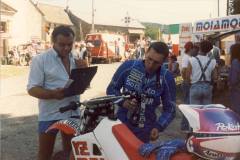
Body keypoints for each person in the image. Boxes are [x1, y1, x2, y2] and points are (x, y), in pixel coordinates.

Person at [27, 25, 88, 160]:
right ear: (53, 41)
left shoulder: (75, 58)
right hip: (50, 113)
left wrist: (84, 72)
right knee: (45, 154)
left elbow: (81, 84)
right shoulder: (40, 60)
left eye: (69, 44)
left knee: (71, 153)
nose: (66, 48)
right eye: (62, 45)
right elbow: (32, 89)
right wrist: (52, 94)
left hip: (72, 111)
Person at [106, 41, 176, 143]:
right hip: (121, 124)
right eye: (149, 59)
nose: (151, 65)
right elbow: (111, 89)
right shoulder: (128, 66)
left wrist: (158, 127)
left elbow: (170, 109)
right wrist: (122, 101)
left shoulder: (166, 77)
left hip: (145, 130)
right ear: (146, 53)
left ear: (163, 61)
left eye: (156, 62)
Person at [187, 40, 218, 105]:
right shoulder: (213, 61)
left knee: (195, 112)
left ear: (200, 47)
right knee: (206, 112)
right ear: (209, 50)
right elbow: (215, 77)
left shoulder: (192, 60)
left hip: (195, 86)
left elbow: (187, 76)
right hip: (207, 87)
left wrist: (190, 84)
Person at [228, 43, 240, 115]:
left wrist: (229, 83)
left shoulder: (235, 62)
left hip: (237, 90)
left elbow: (234, 79)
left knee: (236, 112)